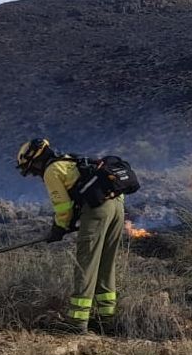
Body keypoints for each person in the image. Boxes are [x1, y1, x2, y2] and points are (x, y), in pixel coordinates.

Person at [16, 138, 123, 334]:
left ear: (36, 160)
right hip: (117, 207)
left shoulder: (51, 171)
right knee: (106, 264)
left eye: (31, 169)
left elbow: (63, 208)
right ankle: (107, 320)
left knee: (86, 264)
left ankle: (77, 323)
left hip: (98, 210)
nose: (34, 173)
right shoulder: (70, 160)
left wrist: (59, 228)